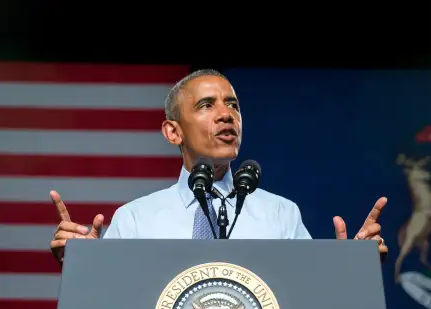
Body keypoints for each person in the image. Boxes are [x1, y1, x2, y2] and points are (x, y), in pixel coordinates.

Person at [48, 69, 387, 258]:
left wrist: (351, 269)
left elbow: (313, 302)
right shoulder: (136, 219)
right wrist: (86, 265)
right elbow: (110, 305)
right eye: (207, 105)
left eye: (233, 105)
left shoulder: (281, 215)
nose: (227, 115)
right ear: (172, 131)